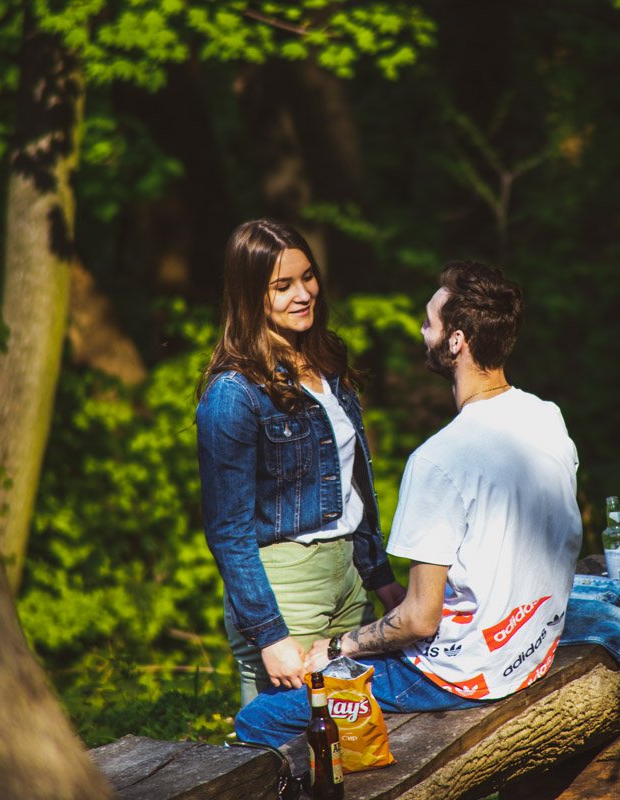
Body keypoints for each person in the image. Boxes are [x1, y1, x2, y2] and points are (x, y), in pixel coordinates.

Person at [235, 260, 585, 748]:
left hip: (465, 673)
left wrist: (335, 647)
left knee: (259, 718)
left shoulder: (439, 459)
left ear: (457, 341)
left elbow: (420, 619)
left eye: (429, 322)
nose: (423, 333)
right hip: (532, 650)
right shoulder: (546, 416)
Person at [196, 219, 405, 706]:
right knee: (282, 750)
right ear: (251, 296)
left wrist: (379, 577)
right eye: (282, 286)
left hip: (348, 579)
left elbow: (356, 483)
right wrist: (269, 634)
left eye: (307, 277)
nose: (303, 294)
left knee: (351, 737)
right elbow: (228, 530)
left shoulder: (329, 362)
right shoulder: (233, 394)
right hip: (286, 587)